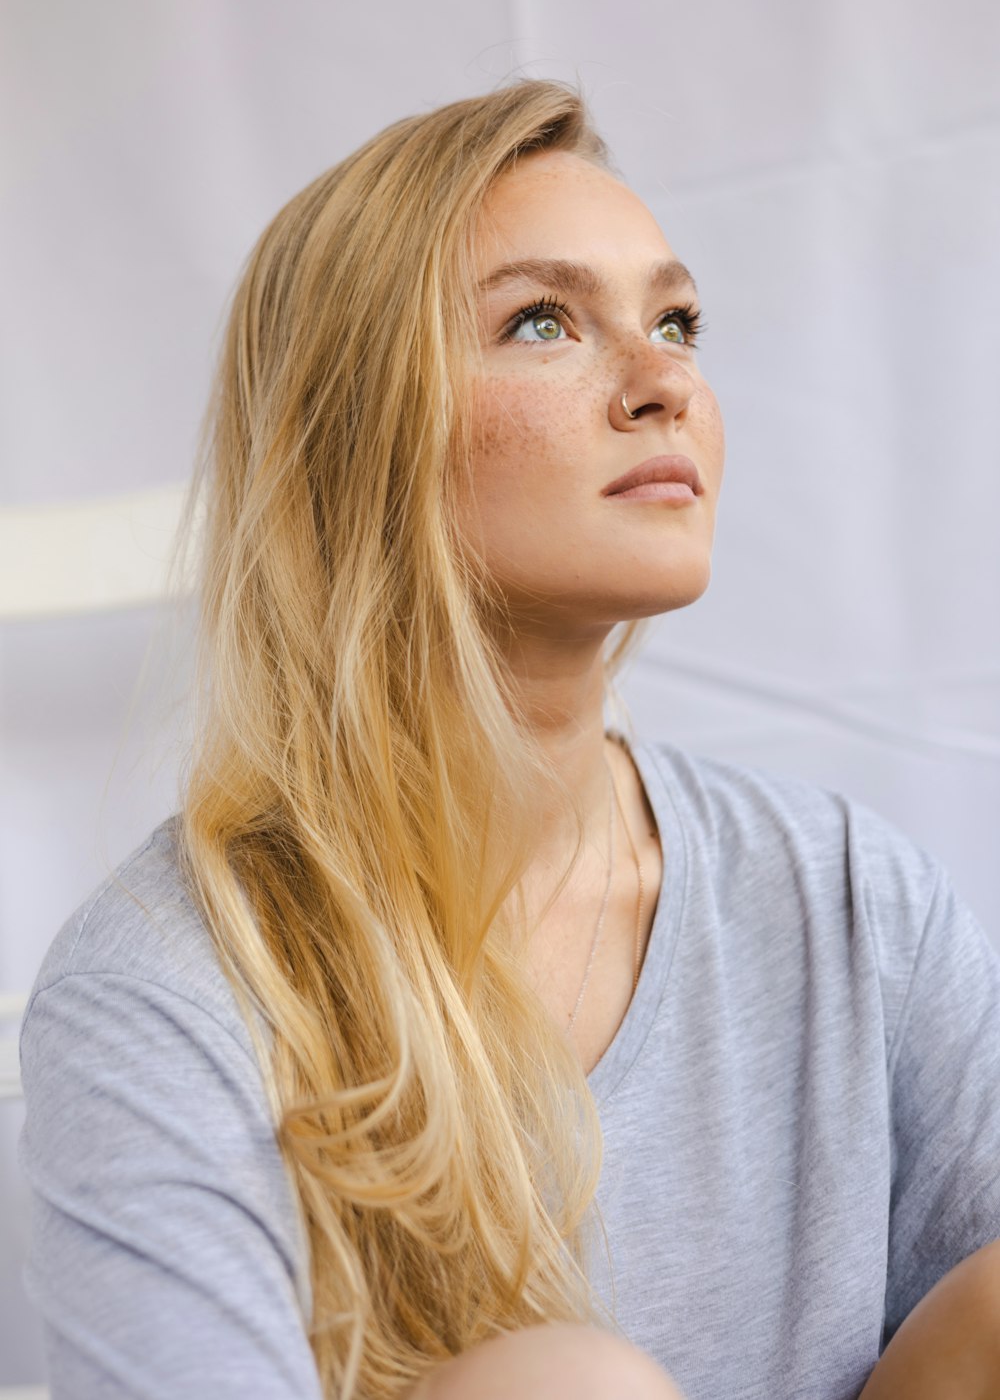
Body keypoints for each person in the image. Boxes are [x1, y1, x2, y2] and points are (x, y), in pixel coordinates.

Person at [17, 80, 1000, 1400]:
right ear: (361, 431)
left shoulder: (847, 896)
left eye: (677, 320)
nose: (664, 382)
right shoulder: (168, 990)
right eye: (542, 323)